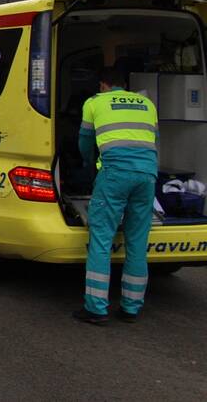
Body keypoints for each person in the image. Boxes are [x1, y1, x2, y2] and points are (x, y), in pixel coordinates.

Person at [73, 67, 159, 325]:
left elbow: (85, 142)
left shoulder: (95, 102)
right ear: (125, 85)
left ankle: (96, 308)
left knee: (101, 239)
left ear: (103, 85)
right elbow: (152, 141)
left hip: (114, 175)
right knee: (137, 241)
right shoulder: (147, 104)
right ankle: (131, 308)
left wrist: (88, 164)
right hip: (146, 176)